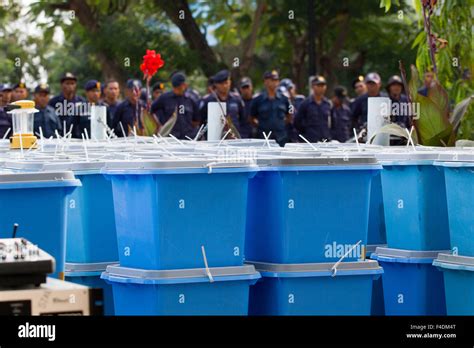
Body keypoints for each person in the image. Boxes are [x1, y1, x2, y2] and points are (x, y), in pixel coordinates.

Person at [151, 72, 200, 140]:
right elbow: (151, 111)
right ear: (182, 85)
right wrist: (159, 125)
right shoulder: (164, 98)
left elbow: (196, 120)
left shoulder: (190, 99)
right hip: (169, 139)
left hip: (188, 139)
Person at [199, 69, 246, 137]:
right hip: (213, 140)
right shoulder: (207, 100)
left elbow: (243, 120)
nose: (224, 86)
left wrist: (241, 136)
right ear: (216, 84)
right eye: (221, 84)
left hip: (234, 140)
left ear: (230, 82)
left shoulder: (237, 99)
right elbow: (201, 121)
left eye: (226, 82)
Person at [250, 70, 291, 146]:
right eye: (272, 80)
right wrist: (261, 126)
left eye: (276, 80)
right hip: (264, 138)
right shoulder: (258, 100)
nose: (275, 82)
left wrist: (280, 124)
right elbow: (251, 118)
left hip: (281, 138)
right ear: (265, 81)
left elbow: (289, 115)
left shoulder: (284, 99)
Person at [294, 76, 332, 143]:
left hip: (325, 141)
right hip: (310, 141)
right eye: (318, 85)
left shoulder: (328, 104)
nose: (321, 88)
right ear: (312, 87)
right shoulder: (305, 103)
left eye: (323, 85)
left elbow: (332, 122)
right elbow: (297, 122)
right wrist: (307, 133)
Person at [49, 72, 86, 138]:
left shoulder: (82, 101)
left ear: (76, 85)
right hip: (59, 138)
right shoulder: (54, 102)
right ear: (62, 85)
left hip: (77, 139)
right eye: (67, 83)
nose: (70, 86)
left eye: (72, 83)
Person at [280, 78, 305, 142]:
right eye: (287, 90)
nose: (290, 91)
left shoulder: (301, 100)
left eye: (291, 88)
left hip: (301, 136)